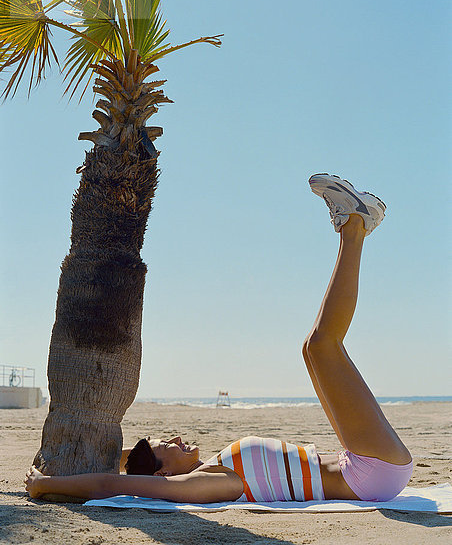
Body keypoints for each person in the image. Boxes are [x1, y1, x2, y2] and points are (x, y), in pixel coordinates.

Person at [25, 173, 413, 503]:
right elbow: (113, 482)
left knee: (310, 349)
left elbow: (115, 462)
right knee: (322, 346)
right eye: (166, 448)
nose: (176, 439)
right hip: (370, 474)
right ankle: (354, 226)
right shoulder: (209, 482)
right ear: (161, 476)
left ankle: (359, 224)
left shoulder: (214, 463)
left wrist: (111, 452)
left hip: (361, 466)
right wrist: (47, 485)